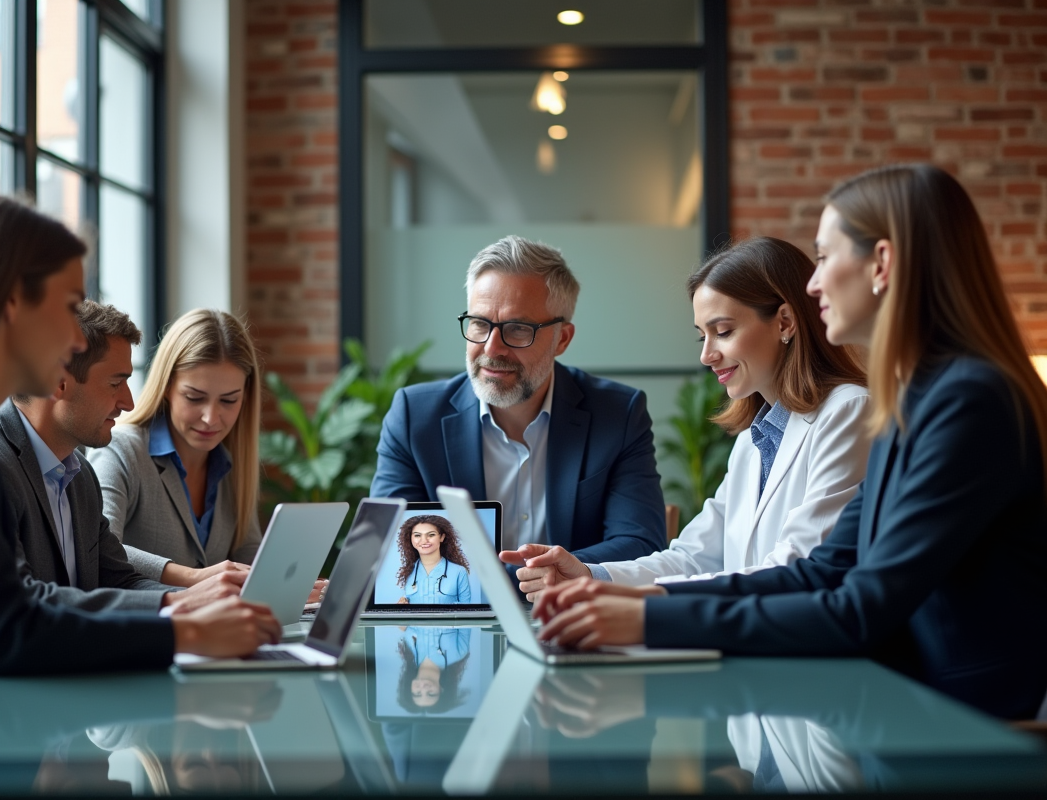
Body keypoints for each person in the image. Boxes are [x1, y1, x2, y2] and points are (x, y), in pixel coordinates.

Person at [534, 164, 1047, 720]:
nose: (813, 283)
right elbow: (823, 571)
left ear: (882, 264)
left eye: (825, 257)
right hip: (903, 704)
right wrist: (632, 597)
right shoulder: (915, 400)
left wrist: (644, 616)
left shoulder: (967, 400)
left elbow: (858, 609)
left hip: (964, 723)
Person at [0, 197, 279, 722]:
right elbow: (5, 628)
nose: (77, 338)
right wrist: (184, 629)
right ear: (12, 301)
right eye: (68, 305)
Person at [501, 237, 870, 600]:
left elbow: (798, 568)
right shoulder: (752, 441)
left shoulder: (847, 412)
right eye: (702, 337)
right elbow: (692, 557)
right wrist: (588, 574)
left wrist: (645, 601)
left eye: (723, 332)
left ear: (785, 321)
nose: (707, 355)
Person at [371, 235, 666, 564]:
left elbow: (640, 542)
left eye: (518, 329)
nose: (491, 348)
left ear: (562, 339)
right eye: (480, 324)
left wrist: (519, 580)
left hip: (570, 611)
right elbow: (389, 549)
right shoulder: (414, 417)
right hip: (455, 614)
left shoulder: (618, 414)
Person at [0, 300, 245, 613]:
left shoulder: (79, 474)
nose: (129, 402)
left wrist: (196, 603)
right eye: (115, 383)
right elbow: (19, 603)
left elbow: (119, 580)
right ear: (58, 382)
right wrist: (180, 602)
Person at [89, 309, 264, 587]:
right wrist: (195, 578)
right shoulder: (121, 451)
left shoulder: (233, 465)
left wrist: (285, 583)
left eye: (229, 401)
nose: (211, 418)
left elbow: (249, 556)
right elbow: (97, 547)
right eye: (195, 398)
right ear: (167, 386)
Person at [394, 515, 472, 605]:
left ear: (442, 537)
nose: (424, 541)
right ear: (410, 538)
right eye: (417, 535)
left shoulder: (459, 572)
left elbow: (467, 610)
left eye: (431, 535)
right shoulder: (408, 571)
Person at [396, 626, 473, 714]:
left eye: (417, 693)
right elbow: (466, 616)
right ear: (441, 691)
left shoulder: (409, 652)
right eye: (431, 694)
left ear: (409, 689)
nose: (424, 689)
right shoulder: (460, 653)